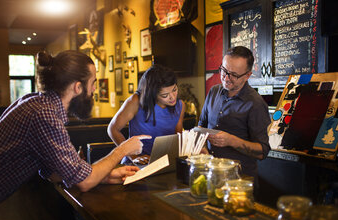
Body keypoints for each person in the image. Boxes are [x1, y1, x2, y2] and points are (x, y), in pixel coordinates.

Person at [0, 50, 149, 220]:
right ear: (78, 87)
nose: (95, 89)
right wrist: (123, 149)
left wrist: (104, 176)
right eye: (93, 82)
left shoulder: (35, 102)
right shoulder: (45, 116)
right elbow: (84, 182)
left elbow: (56, 172)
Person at [199, 46, 271, 184]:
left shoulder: (255, 104)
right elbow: (201, 125)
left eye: (234, 75)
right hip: (211, 173)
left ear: (247, 75)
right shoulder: (214, 91)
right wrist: (201, 147)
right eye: (224, 71)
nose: (226, 78)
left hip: (239, 180)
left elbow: (263, 151)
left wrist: (231, 140)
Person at [108, 64, 185, 165]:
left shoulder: (180, 105)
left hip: (164, 162)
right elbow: (113, 129)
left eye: (174, 90)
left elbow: (177, 136)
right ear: (152, 93)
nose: (172, 97)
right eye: (165, 95)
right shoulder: (135, 101)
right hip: (137, 163)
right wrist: (134, 156)